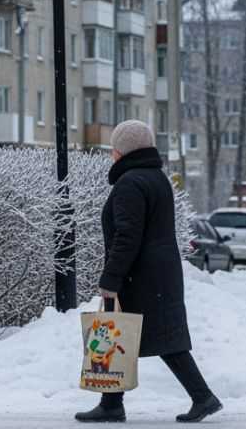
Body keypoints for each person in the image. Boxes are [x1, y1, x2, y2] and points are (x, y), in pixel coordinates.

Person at [76, 120, 223, 424]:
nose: (111, 153)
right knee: (135, 336)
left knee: (136, 336)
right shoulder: (156, 178)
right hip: (159, 271)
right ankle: (112, 403)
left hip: (140, 275)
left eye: (115, 147)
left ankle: (202, 397)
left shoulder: (130, 183)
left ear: (125, 150)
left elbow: (127, 236)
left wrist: (111, 278)